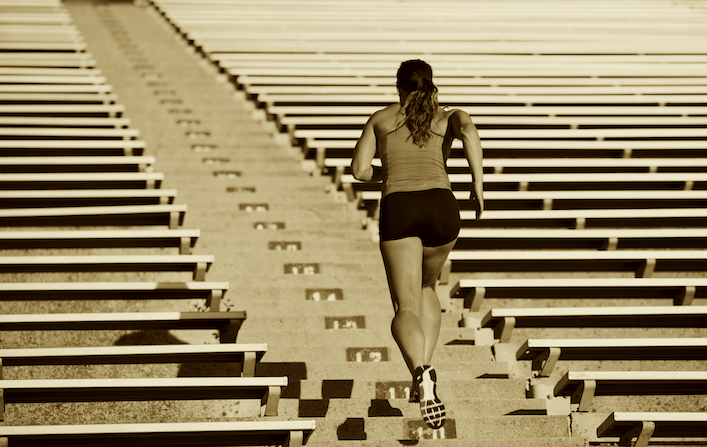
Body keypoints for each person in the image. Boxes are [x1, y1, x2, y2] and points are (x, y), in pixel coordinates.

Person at [351, 59, 484, 429]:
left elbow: (359, 171)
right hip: (443, 206)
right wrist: (477, 183)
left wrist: (387, 173)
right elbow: (470, 131)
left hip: (401, 206)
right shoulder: (449, 116)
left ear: (399, 88)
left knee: (404, 305)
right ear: (432, 86)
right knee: (429, 286)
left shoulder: (381, 118)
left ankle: (421, 370)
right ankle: (422, 375)